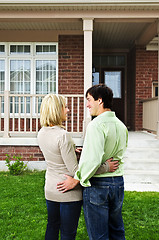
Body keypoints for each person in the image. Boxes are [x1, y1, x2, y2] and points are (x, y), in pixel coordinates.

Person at [37, 93, 119, 240]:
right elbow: (77, 171)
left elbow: (54, 152)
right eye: (65, 107)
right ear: (57, 110)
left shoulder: (42, 132)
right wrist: (105, 167)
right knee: (68, 233)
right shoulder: (63, 135)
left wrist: (71, 151)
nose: (68, 110)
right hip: (68, 191)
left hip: (50, 188)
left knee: (52, 226)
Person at [57, 84, 128, 240]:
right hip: (118, 183)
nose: (87, 104)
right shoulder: (121, 126)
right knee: (117, 231)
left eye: (89, 100)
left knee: (99, 236)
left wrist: (76, 179)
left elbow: (93, 160)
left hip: (98, 186)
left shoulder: (96, 125)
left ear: (100, 100)